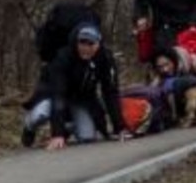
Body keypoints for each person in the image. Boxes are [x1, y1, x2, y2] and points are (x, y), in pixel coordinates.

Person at [21, 22, 131, 150]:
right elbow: (58, 95)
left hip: (81, 99)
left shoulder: (105, 58)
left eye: (91, 44)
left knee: (87, 137)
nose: (86, 48)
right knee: (40, 115)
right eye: (82, 43)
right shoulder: (63, 57)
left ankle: (68, 126)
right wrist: (57, 133)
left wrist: (120, 127)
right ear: (76, 42)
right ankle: (29, 125)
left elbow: (110, 92)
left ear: (98, 44)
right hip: (53, 95)